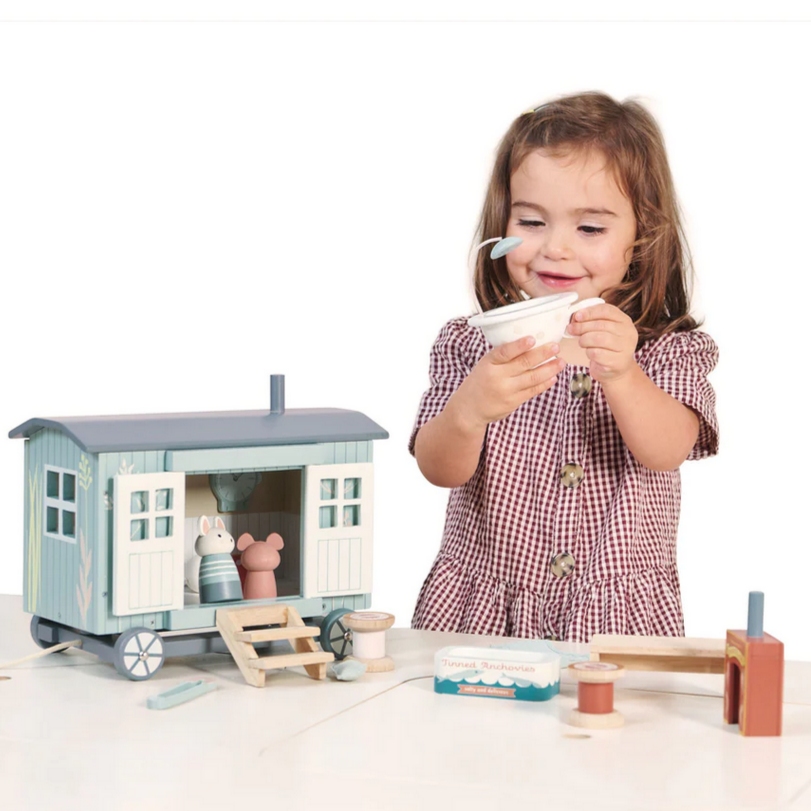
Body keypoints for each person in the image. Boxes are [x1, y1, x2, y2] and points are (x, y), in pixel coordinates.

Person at [409, 91, 719, 643]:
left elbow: (667, 450)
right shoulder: (470, 343)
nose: (555, 248)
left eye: (590, 229)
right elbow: (438, 468)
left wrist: (623, 375)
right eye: (531, 221)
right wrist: (468, 412)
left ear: (640, 238)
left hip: (612, 617)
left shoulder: (667, 349)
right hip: (487, 615)